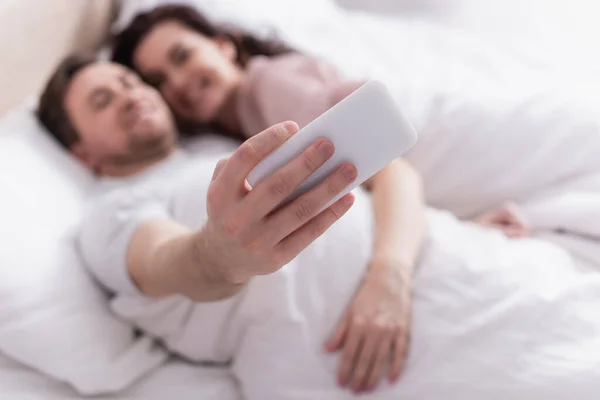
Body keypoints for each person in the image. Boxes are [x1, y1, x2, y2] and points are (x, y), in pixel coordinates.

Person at [110, 3, 530, 390]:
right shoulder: (221, 136)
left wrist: (389, 278)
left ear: (224, 47)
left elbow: (391, 173)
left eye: (182, 57)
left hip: (444, 153)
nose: (178, 83)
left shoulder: (271, 88)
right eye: (158, 81)